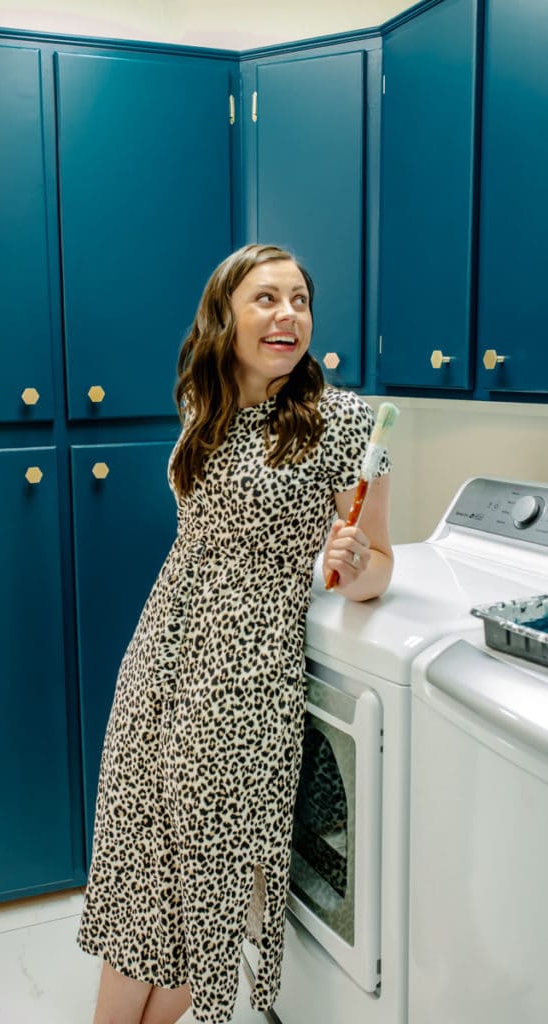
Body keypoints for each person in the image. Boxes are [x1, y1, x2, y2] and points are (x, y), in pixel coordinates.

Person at [77, 243, 393, 1024]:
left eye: (299, 299)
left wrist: (349, 566)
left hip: (243, 684)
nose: (288, 314)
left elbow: (377, 561)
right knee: (142, 887)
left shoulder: (346, 421)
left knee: (202, 895)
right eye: (265, 299)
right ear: (226, 316)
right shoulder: (203, 401)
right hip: (159, 663)